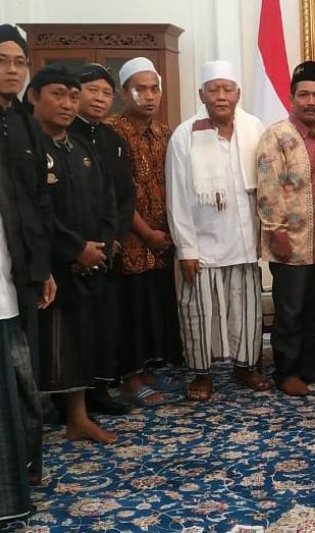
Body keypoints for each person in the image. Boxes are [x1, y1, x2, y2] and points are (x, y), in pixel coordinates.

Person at [166, 60, 268, 401]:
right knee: (200, 312)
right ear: (202, 94)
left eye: (227, 89)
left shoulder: (254, 127)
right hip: (203, 243)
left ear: (238, 93)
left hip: (243, 239)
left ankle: (245, 368)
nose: (221, 96)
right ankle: (201, 373)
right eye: (214, 90)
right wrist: (186, 249)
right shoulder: (186, 134)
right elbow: (177, 196)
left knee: (245, 311)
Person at [29, 65, 117, 444]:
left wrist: (105, 241)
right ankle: (37, 423)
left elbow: (107, 197)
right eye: (58, 95)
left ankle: (77, 419)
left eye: (72, 96)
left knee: (80, 341)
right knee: (47, 347)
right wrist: (75, 248)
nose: (67, 104)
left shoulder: (80, 146)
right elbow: (34, 210)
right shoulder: (28, 147)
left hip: (89, 262)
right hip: (49, 266)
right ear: (34, 96)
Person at [257, 61, 315, 397]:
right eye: (303, 94)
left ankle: (310, 365)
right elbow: (267, 187)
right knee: (289, 313)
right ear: (292, 98)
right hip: (291, 241)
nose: (311, 101)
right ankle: (286, 372)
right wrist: (276, 233)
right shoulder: (276, 136)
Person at [0, 23, 53, 521]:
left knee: (23, 386)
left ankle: (24, 476)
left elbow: (37, 202)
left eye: (19, 62)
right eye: (2, 60)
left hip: (18, 277)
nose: (12, 70)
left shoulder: (23, 123)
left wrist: (42, 269)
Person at [108, 57, 182, 407]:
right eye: (140, 89)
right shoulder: (112, 132)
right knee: (131, 310)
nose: (149, 96)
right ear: (124, 92)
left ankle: (149, 371)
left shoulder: (166, 132)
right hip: (132, 241)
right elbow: (117, 194)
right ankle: (130, 380)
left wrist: (166, 233)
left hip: (162, 241)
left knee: (155, 307)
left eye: (154, 89)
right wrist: (146, 232)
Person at [70, 63, 135, 415]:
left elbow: (123, 195)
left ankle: (99, 391)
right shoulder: (63, 135)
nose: (99, 98)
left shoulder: (112, 139)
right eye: (92, 90)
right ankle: (69, 399)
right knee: (74, 330)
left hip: (107, 251)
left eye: (106, 92)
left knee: (105, 324)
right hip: (73, 253)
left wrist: (113, 240)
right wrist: (81, 246)